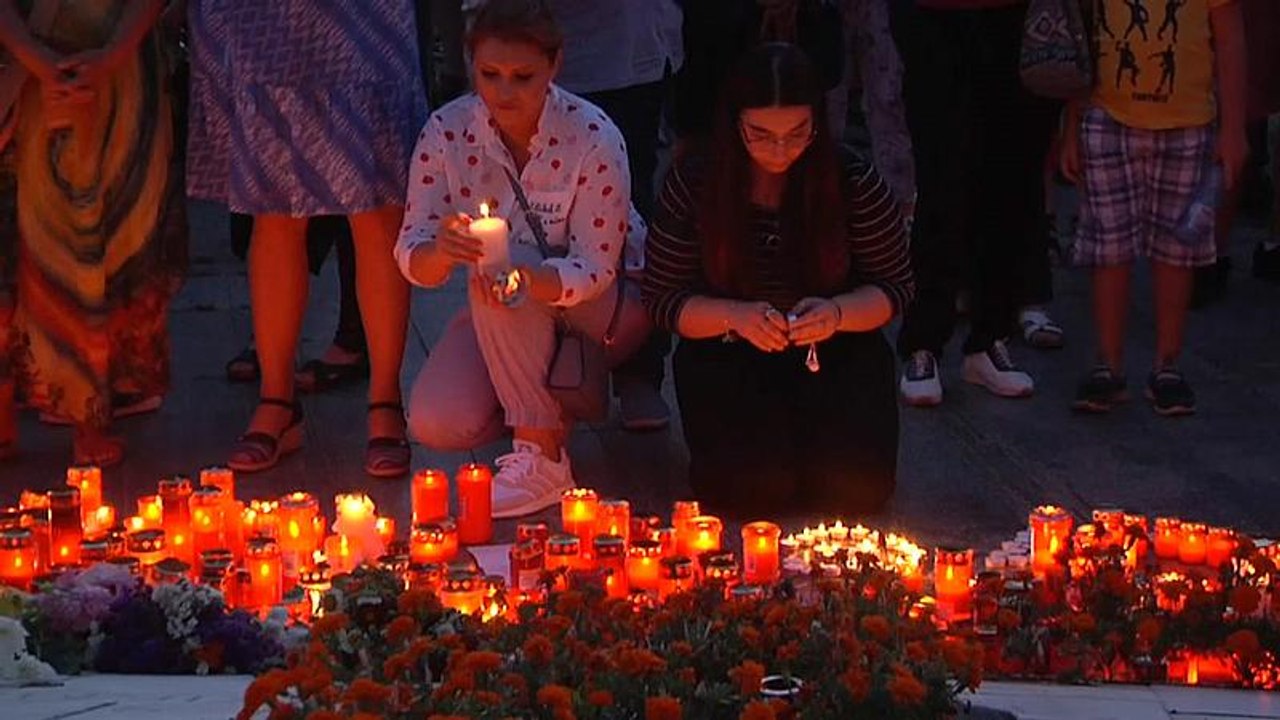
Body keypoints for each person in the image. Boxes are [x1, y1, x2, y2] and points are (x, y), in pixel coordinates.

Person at [644, 42, 914, 518]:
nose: (780, 149)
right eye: (761, 134)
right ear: (734, 124)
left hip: (836, 350)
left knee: (856, 490)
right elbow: (664, 298)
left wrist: (835, 314)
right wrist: (736, 316)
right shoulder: (697, 180)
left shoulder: (850, 178)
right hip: (726, 349)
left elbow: (894, 286)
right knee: (750, 491)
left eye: (797, 132)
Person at [397, 0, 635, 518]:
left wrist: (529, 277)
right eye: (490, 75)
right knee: (437, 421)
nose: (505, 92)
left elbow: (598, 267)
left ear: (555, 65)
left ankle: (541, 453)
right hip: (501, 309)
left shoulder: (592, 136)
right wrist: (442, 250)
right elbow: (412, 252)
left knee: (504, 271)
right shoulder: (446, 131)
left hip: (602, 308)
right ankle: (538, 400)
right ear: (470, 65)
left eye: (523, 76)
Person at [186, 0, 427, 476]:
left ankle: (384, 402)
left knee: (377, 200)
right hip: (262, 19)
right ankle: (277, 400)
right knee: (271, 206)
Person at [0, 0, 187, 467]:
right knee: (25, 244)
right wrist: (35, 58)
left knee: (105, 241)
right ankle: (33, 411)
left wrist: (109, 55)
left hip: (117, 70)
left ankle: (90, 410)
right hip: (34, 67)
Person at [1063, 0, 1247, 415]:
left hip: (1188, 123)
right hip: (1107, 116)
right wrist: (1072, 126)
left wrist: (1234, 128)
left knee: (1176, 251)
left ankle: (1167, 363)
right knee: (1108, 247)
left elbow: (1231, 38)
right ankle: (1108, 363)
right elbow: (1083, 40)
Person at [891, 0, 1060, 408]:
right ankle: (923, 344)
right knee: (941, 178)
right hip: (934, 15)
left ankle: (989, 338)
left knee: (1009, 180)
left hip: (1012, 15)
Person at [545, 0, 683, 431]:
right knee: (542, 210)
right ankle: (534, 377)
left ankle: (638, 367)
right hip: (548, 49)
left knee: (633, 203)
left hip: (632, 53)